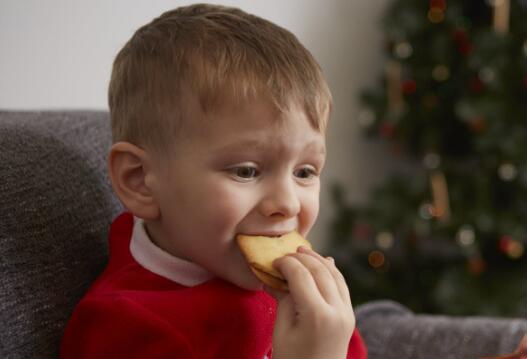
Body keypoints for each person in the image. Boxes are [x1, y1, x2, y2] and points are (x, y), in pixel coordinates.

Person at [60, 4, 367, 358]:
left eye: (305, 172)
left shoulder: (287, 289)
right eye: (246, 170)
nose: (288, 203)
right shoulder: (127, 328)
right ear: (140, 180)